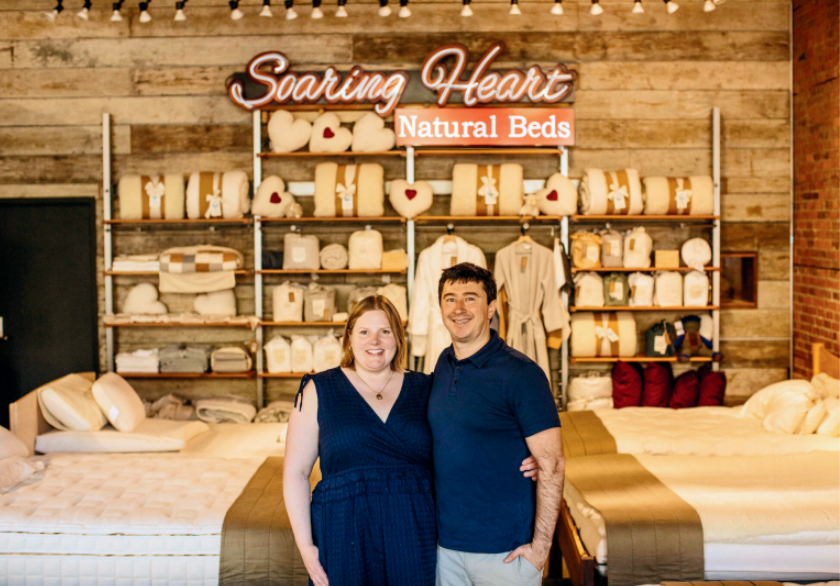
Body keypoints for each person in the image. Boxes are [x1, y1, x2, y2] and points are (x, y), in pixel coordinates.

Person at [283, 295, 539, 586]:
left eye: (385, 331)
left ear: (398, 337)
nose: (374, 341)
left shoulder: (426, 387)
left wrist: (522, 454)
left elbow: (469, 435)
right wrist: (306, 546)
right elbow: (295, 473)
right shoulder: (319, 389)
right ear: (349, 337)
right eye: (364, 331)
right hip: (343, 532)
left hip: (413, 532)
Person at [429, 262, 565, 586]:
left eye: (470, 298)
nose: (459, 308)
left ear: (491, 308)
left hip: (507, 554)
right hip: (446, 550)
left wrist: (540, 549)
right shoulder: (443, 364)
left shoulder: (522, 374)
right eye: (450, 299)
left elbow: (553, 463)